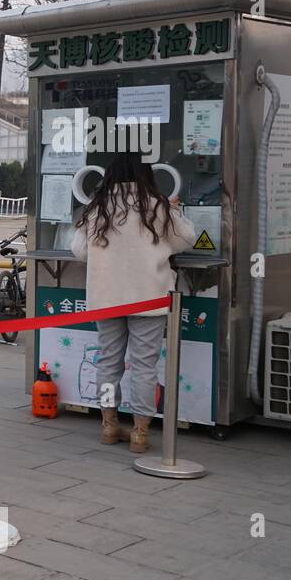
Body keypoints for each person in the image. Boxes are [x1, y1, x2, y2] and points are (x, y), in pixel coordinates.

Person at [71, 154, 195, 453]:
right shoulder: (158, 206)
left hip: (107, 299)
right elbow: (187, 239)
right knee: (144, 365)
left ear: (109, 175)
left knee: (108, 362)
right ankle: (140, 432)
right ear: (146, 175)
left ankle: (109, 424)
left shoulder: (97, 208)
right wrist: (176, 211)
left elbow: (79, 251)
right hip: (149, 297)